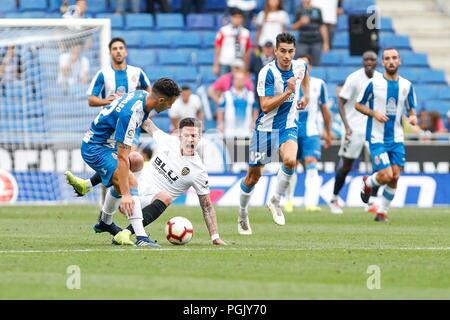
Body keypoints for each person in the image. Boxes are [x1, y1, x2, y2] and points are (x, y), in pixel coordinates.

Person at [78, 79, 181, 247]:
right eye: (170, 103)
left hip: (104, 144)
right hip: (96, 148)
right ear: (161, 100)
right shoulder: (131, 114)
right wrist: (127, 195)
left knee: (132, 165)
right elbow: (121, 157)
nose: (170, 107)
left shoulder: (141, 95)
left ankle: (104, 221)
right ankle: (141, 238)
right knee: (129, 181)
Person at [112, 117, 227, 246]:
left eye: (194, 136)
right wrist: (133, 105)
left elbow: (206, 206)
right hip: (130, 189)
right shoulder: (167, 141)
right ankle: (101, 207)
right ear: (179, 135)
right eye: (186, 135)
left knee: (166, 197)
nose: (190, 139)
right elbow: (148, 124)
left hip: (147, 203)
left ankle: (126, 232)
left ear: (200, 137)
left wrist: (215, 237)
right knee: (135, 157)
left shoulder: (199, 171)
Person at [238, 32, 309, 235]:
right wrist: (288, 92)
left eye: (291, 51)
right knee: (253, 177)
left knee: (290, 161)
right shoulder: (267, 73)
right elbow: (265, 106)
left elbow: (306, 74)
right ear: (276, 51)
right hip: (264, 130)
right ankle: (242, 213)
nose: (287, 56)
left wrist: (307, 96)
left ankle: (276, 201)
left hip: (288, 126)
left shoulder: (299, 66)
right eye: (283, 51)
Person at [65, 37, 151, 197]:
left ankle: (105, 195)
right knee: (115, 166)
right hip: (110, 126)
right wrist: (107, 101)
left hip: (131, 126)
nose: (118, 51)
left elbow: (150, 93)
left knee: (128, 160)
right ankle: (108, 208)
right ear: (110, 52)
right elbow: (91, 99)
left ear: (125, 51)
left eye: (121, 48)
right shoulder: (103, 74)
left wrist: (144, 115)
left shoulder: (137, 73)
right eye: (114, 48)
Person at [358, 48, 417, 222]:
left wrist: (412, 116)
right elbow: (358, 105)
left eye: (394, 58)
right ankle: (368, 183)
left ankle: (382, 212)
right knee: (386, 175)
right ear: (382, 63)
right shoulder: (374, 83)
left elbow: (411, 107)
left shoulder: (406, 85)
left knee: (396, 176)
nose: (391, 61)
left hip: (397, 138)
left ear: (399, 61)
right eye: (387, 59)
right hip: (377, 137)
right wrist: (374, 113)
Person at [328, 51, 381, 215]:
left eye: (372, 59)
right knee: (346, 165)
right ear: (362, 61)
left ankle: (371, 201)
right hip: (355, 127)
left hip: (373, 128)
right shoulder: (353, 78)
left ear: (376, 61)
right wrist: (347, 126)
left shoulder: (380, 79)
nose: (369, 62)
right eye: (366, 59)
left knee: (379, 164)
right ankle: (334, 198)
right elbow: (341, 101)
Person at [284, 55, 331, 213]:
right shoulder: (289, 83)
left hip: (311, 131)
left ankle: (311, 203)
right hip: (292, 129)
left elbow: (325, 110)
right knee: (291, 165)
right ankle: (288, 200)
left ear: (309, 67)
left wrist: (328, 132)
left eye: (306, 64)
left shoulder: (319, 84)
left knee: (311, 164)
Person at [216, 71, 259, 137]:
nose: (240, 81)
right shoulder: (226, 95)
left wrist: (254, 122)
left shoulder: (251, 95)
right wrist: (220, 123)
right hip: (230, 130)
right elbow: (220, 110)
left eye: (242, 79)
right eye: (238, 79)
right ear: (233, 80)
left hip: (246, 130)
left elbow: (255, 109)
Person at [213, 7, 252, 76]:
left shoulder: (246, 33)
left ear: (242, 19)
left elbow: (247, 51)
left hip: (239, 64)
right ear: (231, 18)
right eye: (235, 17)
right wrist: (216, 64)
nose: (237, 19)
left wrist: (246, 66)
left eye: (239, 17)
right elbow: (217, 48)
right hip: (225, 63)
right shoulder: (223, 31)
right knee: (224, 85)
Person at [291, 0, 329, 66]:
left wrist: (326, 43)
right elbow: (293, 27)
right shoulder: (298, 10)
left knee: (316, 64)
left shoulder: (317, 10)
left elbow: (322, 26)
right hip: (303, 41)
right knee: (300, 64)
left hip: (316, 41)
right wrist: (300, 22)